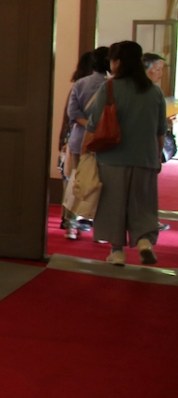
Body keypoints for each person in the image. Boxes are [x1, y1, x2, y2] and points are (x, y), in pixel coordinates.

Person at [85, 41, 164, 266]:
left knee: (113, 205)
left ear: (117, 62)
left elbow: (93, 125)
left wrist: (84, 152)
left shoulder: (109, 88)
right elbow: (160, 131)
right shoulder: (154, 91)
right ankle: (144, 241)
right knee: (143, 203)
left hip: (112, 158)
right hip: (145, 158)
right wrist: (157, 156)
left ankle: (117, 251)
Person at [64, 47, 110, 238]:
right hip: (105, 141)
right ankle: (100, 229)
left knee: (77, 181)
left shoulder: (80, 83)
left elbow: (72, 112)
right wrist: (98, 128)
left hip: (79, 138)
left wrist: (89, 126)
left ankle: (71, 225)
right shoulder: (112, 86)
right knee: (104, 185)